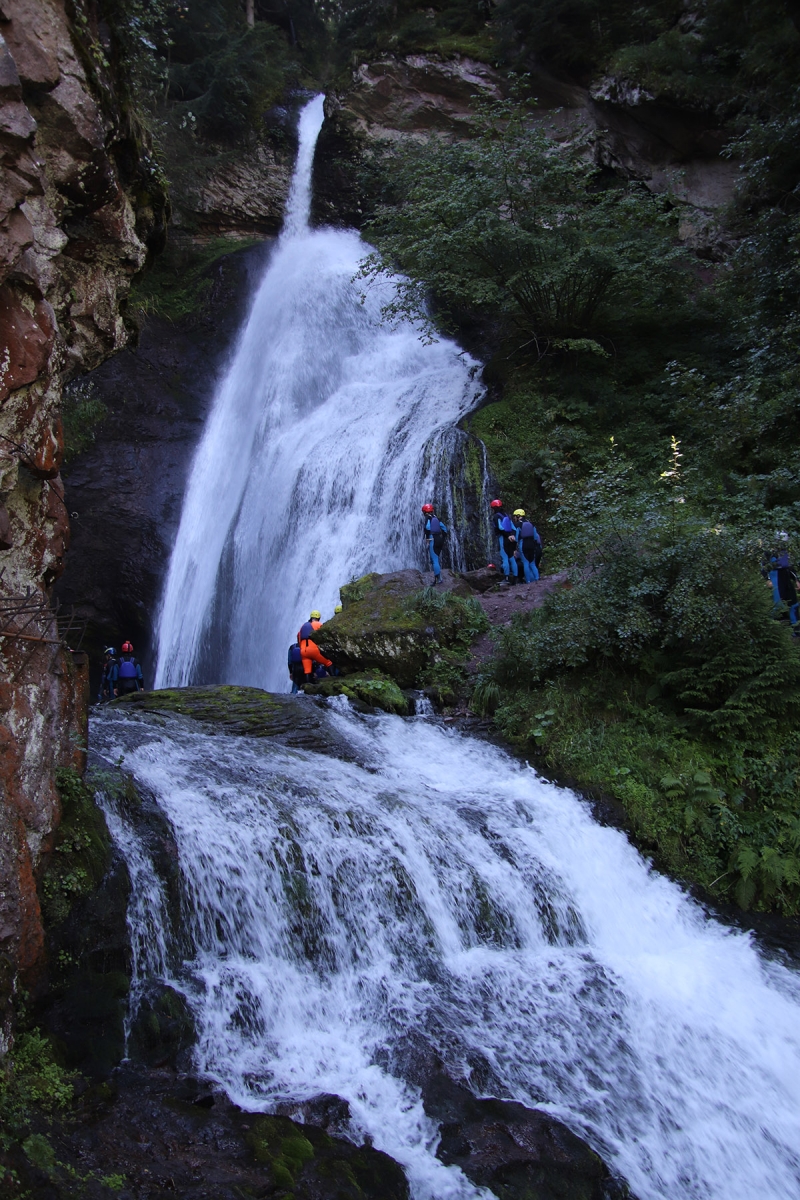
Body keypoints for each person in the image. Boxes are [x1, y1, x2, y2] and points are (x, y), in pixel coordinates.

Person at [490, 499, 518, 584]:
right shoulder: (506, 515)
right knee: (512, 558)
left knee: (505, 558)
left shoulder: (496, 516)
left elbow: (500, 528)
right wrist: (512, 535)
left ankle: (506, 578)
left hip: (503, 538)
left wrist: (507, 536)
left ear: (494, 508)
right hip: (511, 539)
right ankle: (516, 578)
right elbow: (513, 528)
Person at [297, 620, 332, 686]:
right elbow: (323, 633)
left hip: (303, 651)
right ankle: (334, 679)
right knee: (328, 662)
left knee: (307, 670)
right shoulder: (317, 624)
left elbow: (299, 639)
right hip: (313, 649)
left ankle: (308, 687)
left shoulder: (303, 626)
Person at [421, 503, 448, 584]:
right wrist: (442, 538)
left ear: (424, 512)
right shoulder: (437, 518)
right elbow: (445, 529)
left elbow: (428, 527)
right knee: (437, 558)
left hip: (432, 539)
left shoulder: (428, 518)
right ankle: (439, 578)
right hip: (439, 539)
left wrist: (428, 537)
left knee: (434, 560)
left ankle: (438, 580)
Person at [514, 509, 542, 583]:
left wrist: (515, 545)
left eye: (515, 516)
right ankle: (537, 578)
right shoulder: (531, 524)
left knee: (525, 562)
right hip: (532, 544)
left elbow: (516, 537)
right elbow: (535, 536)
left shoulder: (518, 525)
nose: (514, 518)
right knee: (532, 563)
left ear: (518, 516)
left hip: (523, 544)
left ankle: (528, 581)